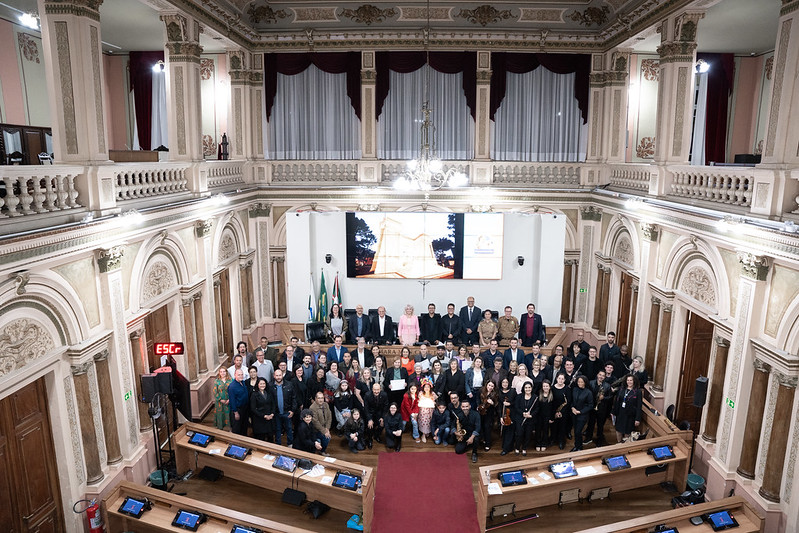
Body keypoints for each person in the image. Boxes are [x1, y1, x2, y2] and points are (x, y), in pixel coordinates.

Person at [271, 369, 297, 446]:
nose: (278, 377)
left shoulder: (290, 384)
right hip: (276, 413)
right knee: (277, 429)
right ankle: (278, 445)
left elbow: (294, 398)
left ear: (282, 375)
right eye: (277, 375)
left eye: (280, 375)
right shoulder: (270, 386)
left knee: (289, 429)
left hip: (287, 412)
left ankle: (290, 445)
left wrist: (293, 410)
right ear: (274, 376)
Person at [587, 369, 613, 446]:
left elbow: (610, 397)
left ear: (605, 377)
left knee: (600, 425)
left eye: (603, 376)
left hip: (601, 409)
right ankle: (589, 437)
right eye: (600, 375)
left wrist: (603, 398)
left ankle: (599, 439)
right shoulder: (591, 383)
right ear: (597, 375)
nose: (601, 377)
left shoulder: (607, 386)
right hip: (592, 407)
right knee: (590, 424)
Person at [613, 374, 643, 442]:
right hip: (620, 413)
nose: (629, 382)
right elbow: (617, 401)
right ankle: (619, 443)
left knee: (627, 432)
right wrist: (613, 412)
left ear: (634, 381)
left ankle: (625, 446)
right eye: (628, 380)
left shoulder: (638, 391)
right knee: (618, 430)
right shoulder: (621, 389)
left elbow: (639, 406)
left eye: (631, 380)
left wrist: (637, 419)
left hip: (630, 415)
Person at [513, 381, 538, 456]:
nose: (528, 389)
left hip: (530, 419)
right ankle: (517, 448)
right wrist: (523, 413)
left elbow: (537, 409)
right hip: (520, 418)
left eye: (529, 387)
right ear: (523, 388)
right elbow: (516, 407)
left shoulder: (535, 397)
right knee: (519, 434)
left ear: (531, 388)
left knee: (528, 434)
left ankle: (524, 448)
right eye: (526, 387)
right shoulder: (519, 396)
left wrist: (531, 415)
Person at [570, 376, 594, 451]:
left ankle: (579, 447)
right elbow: (572, 401)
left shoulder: (588, 392)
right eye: (578, 382)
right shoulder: (574, 389)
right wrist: (572, 408)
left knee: (578, 431)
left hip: (582, 415)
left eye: (581, 382)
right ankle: (576, 446)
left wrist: (580, 411)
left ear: (585, 382)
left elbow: (590, 405)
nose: (580, 383)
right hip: (574, 413)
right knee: (575, 431)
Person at [250, 377, 275, 442]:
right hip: (259, 420)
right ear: (257, 384)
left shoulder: (269, 393)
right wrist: (264, 416)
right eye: (261, 384)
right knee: (260, 439)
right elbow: (253, 409)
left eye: (264, 383)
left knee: (270, 438)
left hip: (269, 419)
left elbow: (273, 404)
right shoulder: (254, 394)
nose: (262, 385)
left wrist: (272, 414)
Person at [363, 382, 388, 447]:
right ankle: (370, 439)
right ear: (372, 389)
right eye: (374, 390)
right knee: (370, 426)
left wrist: (382, 417)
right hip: (370, 413)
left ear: (380, 389)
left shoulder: (384, 395)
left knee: (383, 424)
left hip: (379, 413)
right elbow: (366, 408)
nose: (376, 391)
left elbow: (385, 407)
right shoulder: (367, 395)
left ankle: (377, 435)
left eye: (378, 390)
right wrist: (369, 419)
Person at [551, 373, 572, 449]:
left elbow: (568, 402)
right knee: (554, 426)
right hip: (554, 410)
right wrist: (555, 412)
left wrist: (561, 412)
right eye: (559, 378)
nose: (560, 380)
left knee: (562, 427)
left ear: (565, 380)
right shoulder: (552, 388)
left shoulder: (567, 389)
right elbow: (551, 401)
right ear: (556, 379)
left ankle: (561, 441)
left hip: (564, 411)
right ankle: (553, 439)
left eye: (562, 379)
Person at [309, 391, 332, 456]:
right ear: (315, 398)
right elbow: (315, 422)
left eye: (322, 398)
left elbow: (329, 417)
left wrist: (327, 429)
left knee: (327, 437)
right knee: (326, 437)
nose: (321, 400)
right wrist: (325, 431)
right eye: (319, 398)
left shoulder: (326, 405)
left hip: (324, 428)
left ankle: (322, 451)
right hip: (316, 430)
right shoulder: (312, 408)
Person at [477, 380, 498, 451]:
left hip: (489, 413)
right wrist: (478, 406)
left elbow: (497, 405)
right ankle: (483, 439)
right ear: (486, 385)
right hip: (480, 411)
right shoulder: (481, 391)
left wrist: (492, 403)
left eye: (492, 386)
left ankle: (488, 444)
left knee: (487, 427)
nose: (490, 387)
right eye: (489, 385)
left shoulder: (495, 394)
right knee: (481, 426)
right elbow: (477, 399)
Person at [498, 377, 517, 455]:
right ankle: (507, 446)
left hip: (512, 413)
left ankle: (506, 449)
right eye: (503, 382)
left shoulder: (513, 391)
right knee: (505, 431)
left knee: (510, 431)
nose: (505, 384)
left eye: (506, 382)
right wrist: (500, 417)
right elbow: (499, 406)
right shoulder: (499, 392)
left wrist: (510, 404)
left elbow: (517, 402)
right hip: (503, 414)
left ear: (509, 383)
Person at [228, 368, 249, 436]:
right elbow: (232, 400)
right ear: (235, 375)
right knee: (237, 429)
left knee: (244, 427)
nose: (241, 376)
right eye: (239, 375)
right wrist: (236, 413)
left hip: (245, 409)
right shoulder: (232, 387)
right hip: (237, 410)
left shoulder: (243, 382)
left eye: (242, 374)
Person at [535, 380, 555, 451]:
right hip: (539, 416)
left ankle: (544, 443)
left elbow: (553, 408)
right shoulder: (538, 394)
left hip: (547, 416)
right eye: (544, 386)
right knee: (538, 430)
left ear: (549, 387)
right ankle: (538, 443)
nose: (545, 387)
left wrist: (551, 418)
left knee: (545, 430)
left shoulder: (552, 395)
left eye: (547, 386)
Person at [418, 378, 436, 443]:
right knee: (424, 422)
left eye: (428, 387)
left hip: (430, 410)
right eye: (425, 387)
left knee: (429, 422)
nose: (427, 388)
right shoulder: (421, 393)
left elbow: (435, 401)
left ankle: (427, 432)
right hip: (423, 411)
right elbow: (419, 402)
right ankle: (423, 434)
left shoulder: (433, 394)